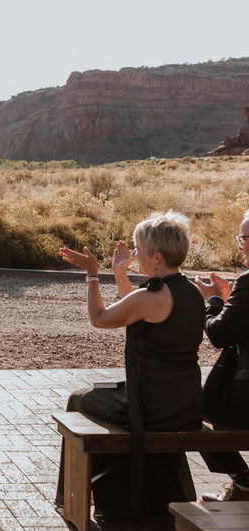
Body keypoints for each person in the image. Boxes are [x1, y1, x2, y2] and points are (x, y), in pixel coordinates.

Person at [56, 211, 205, 525]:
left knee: (79, 399)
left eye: (138, 250)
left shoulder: (152, 296)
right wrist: (119, 274)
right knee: (99, 393)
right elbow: (137, 308)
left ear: (157, 258)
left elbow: (100, 318)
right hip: (184, 402)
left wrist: (93, 275)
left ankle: (82, 499)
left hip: (149, 407)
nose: (134, 255)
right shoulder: (190, 292)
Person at [192, 209, 249, 501]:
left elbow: (219, 334)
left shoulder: (248, 281)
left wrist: (213, 300)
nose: (240, 244)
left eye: (243, 238)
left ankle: (243, 480)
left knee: (194, 417)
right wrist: (231, 304)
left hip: (245, 401)